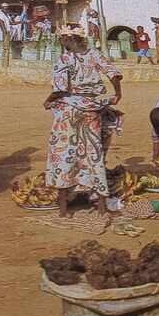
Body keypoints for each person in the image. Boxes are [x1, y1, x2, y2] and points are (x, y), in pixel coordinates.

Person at [44, 23, 123, 217]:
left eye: (62, 38)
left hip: (69, 112)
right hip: (92, 110)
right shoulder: (94, 54)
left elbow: (60, 89)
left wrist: (47, 101)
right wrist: (117, 93)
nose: (61, 42)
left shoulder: (64, 58)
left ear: (67, 39)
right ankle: (102, 207)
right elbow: (113, 73)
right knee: (93, 154)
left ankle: (63, 210)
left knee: (64, 155)